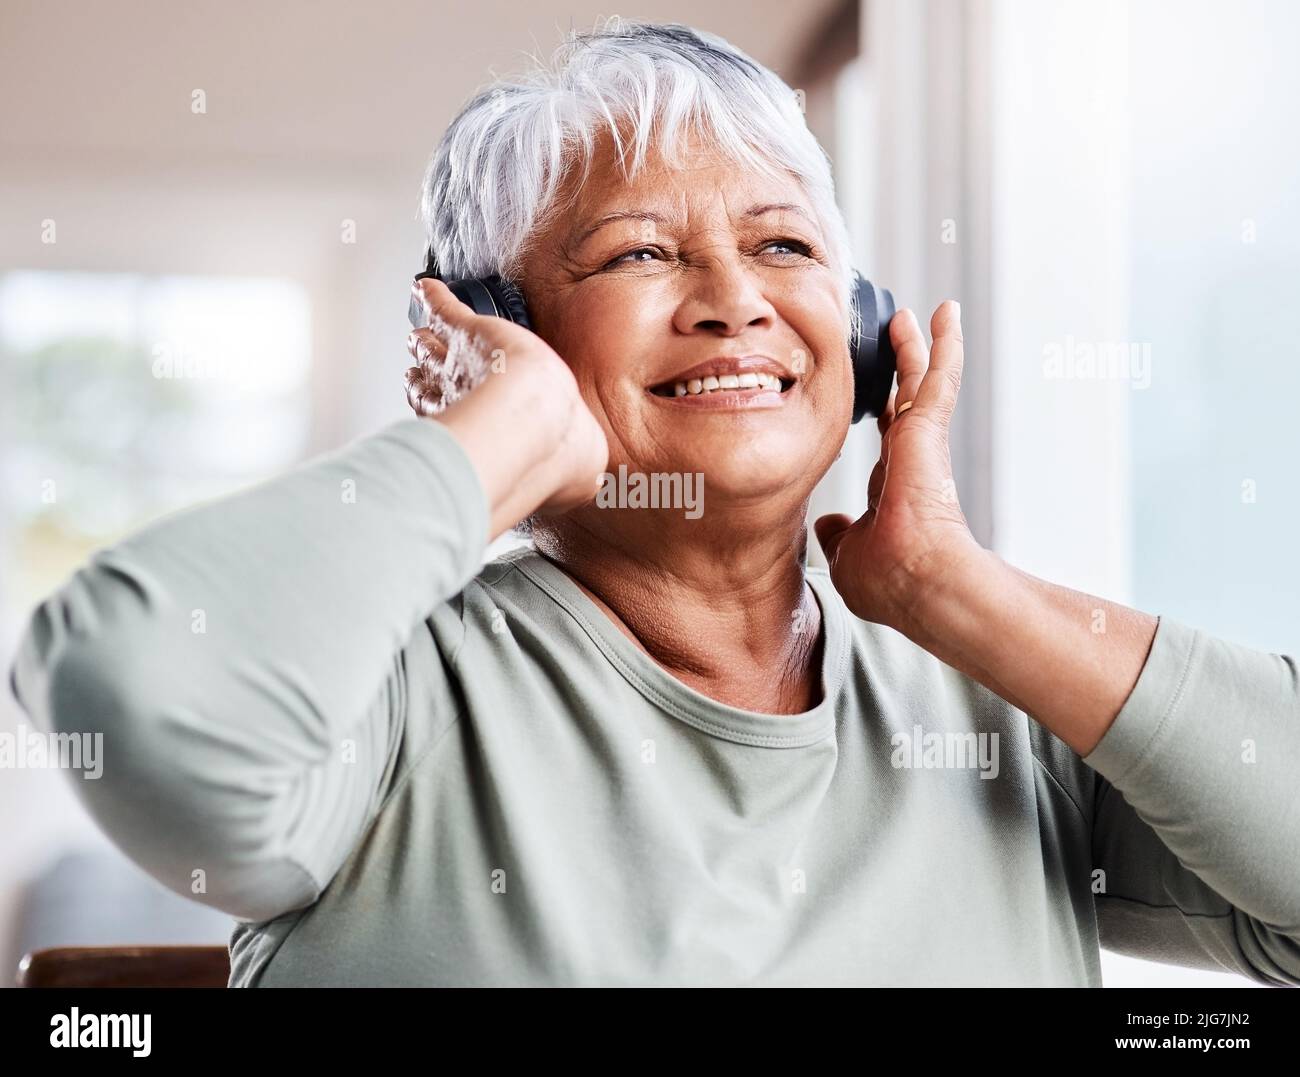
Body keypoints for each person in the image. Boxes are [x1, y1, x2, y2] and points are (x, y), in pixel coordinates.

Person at [10, 18, 1299, 987]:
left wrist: (952, 586)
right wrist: (497, 432)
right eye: (637, 252)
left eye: (785, 245)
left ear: (856, 335)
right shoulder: (392, 696)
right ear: (491, 331)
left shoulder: (989, 702)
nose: (734, 297)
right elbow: (130, 691)